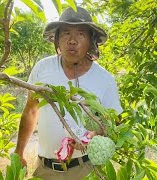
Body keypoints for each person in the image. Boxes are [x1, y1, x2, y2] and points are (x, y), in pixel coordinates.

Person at [14, 6, 122, 180]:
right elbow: (31, 111)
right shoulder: (43, 69)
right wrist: (19, 152)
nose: (72, 40)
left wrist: (94, 136)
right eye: (65, 33)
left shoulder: (104, 79)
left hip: (85, 169)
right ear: (57, 40)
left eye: (80, 34)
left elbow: (113, 121)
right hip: (45, 169)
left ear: (91, 41)